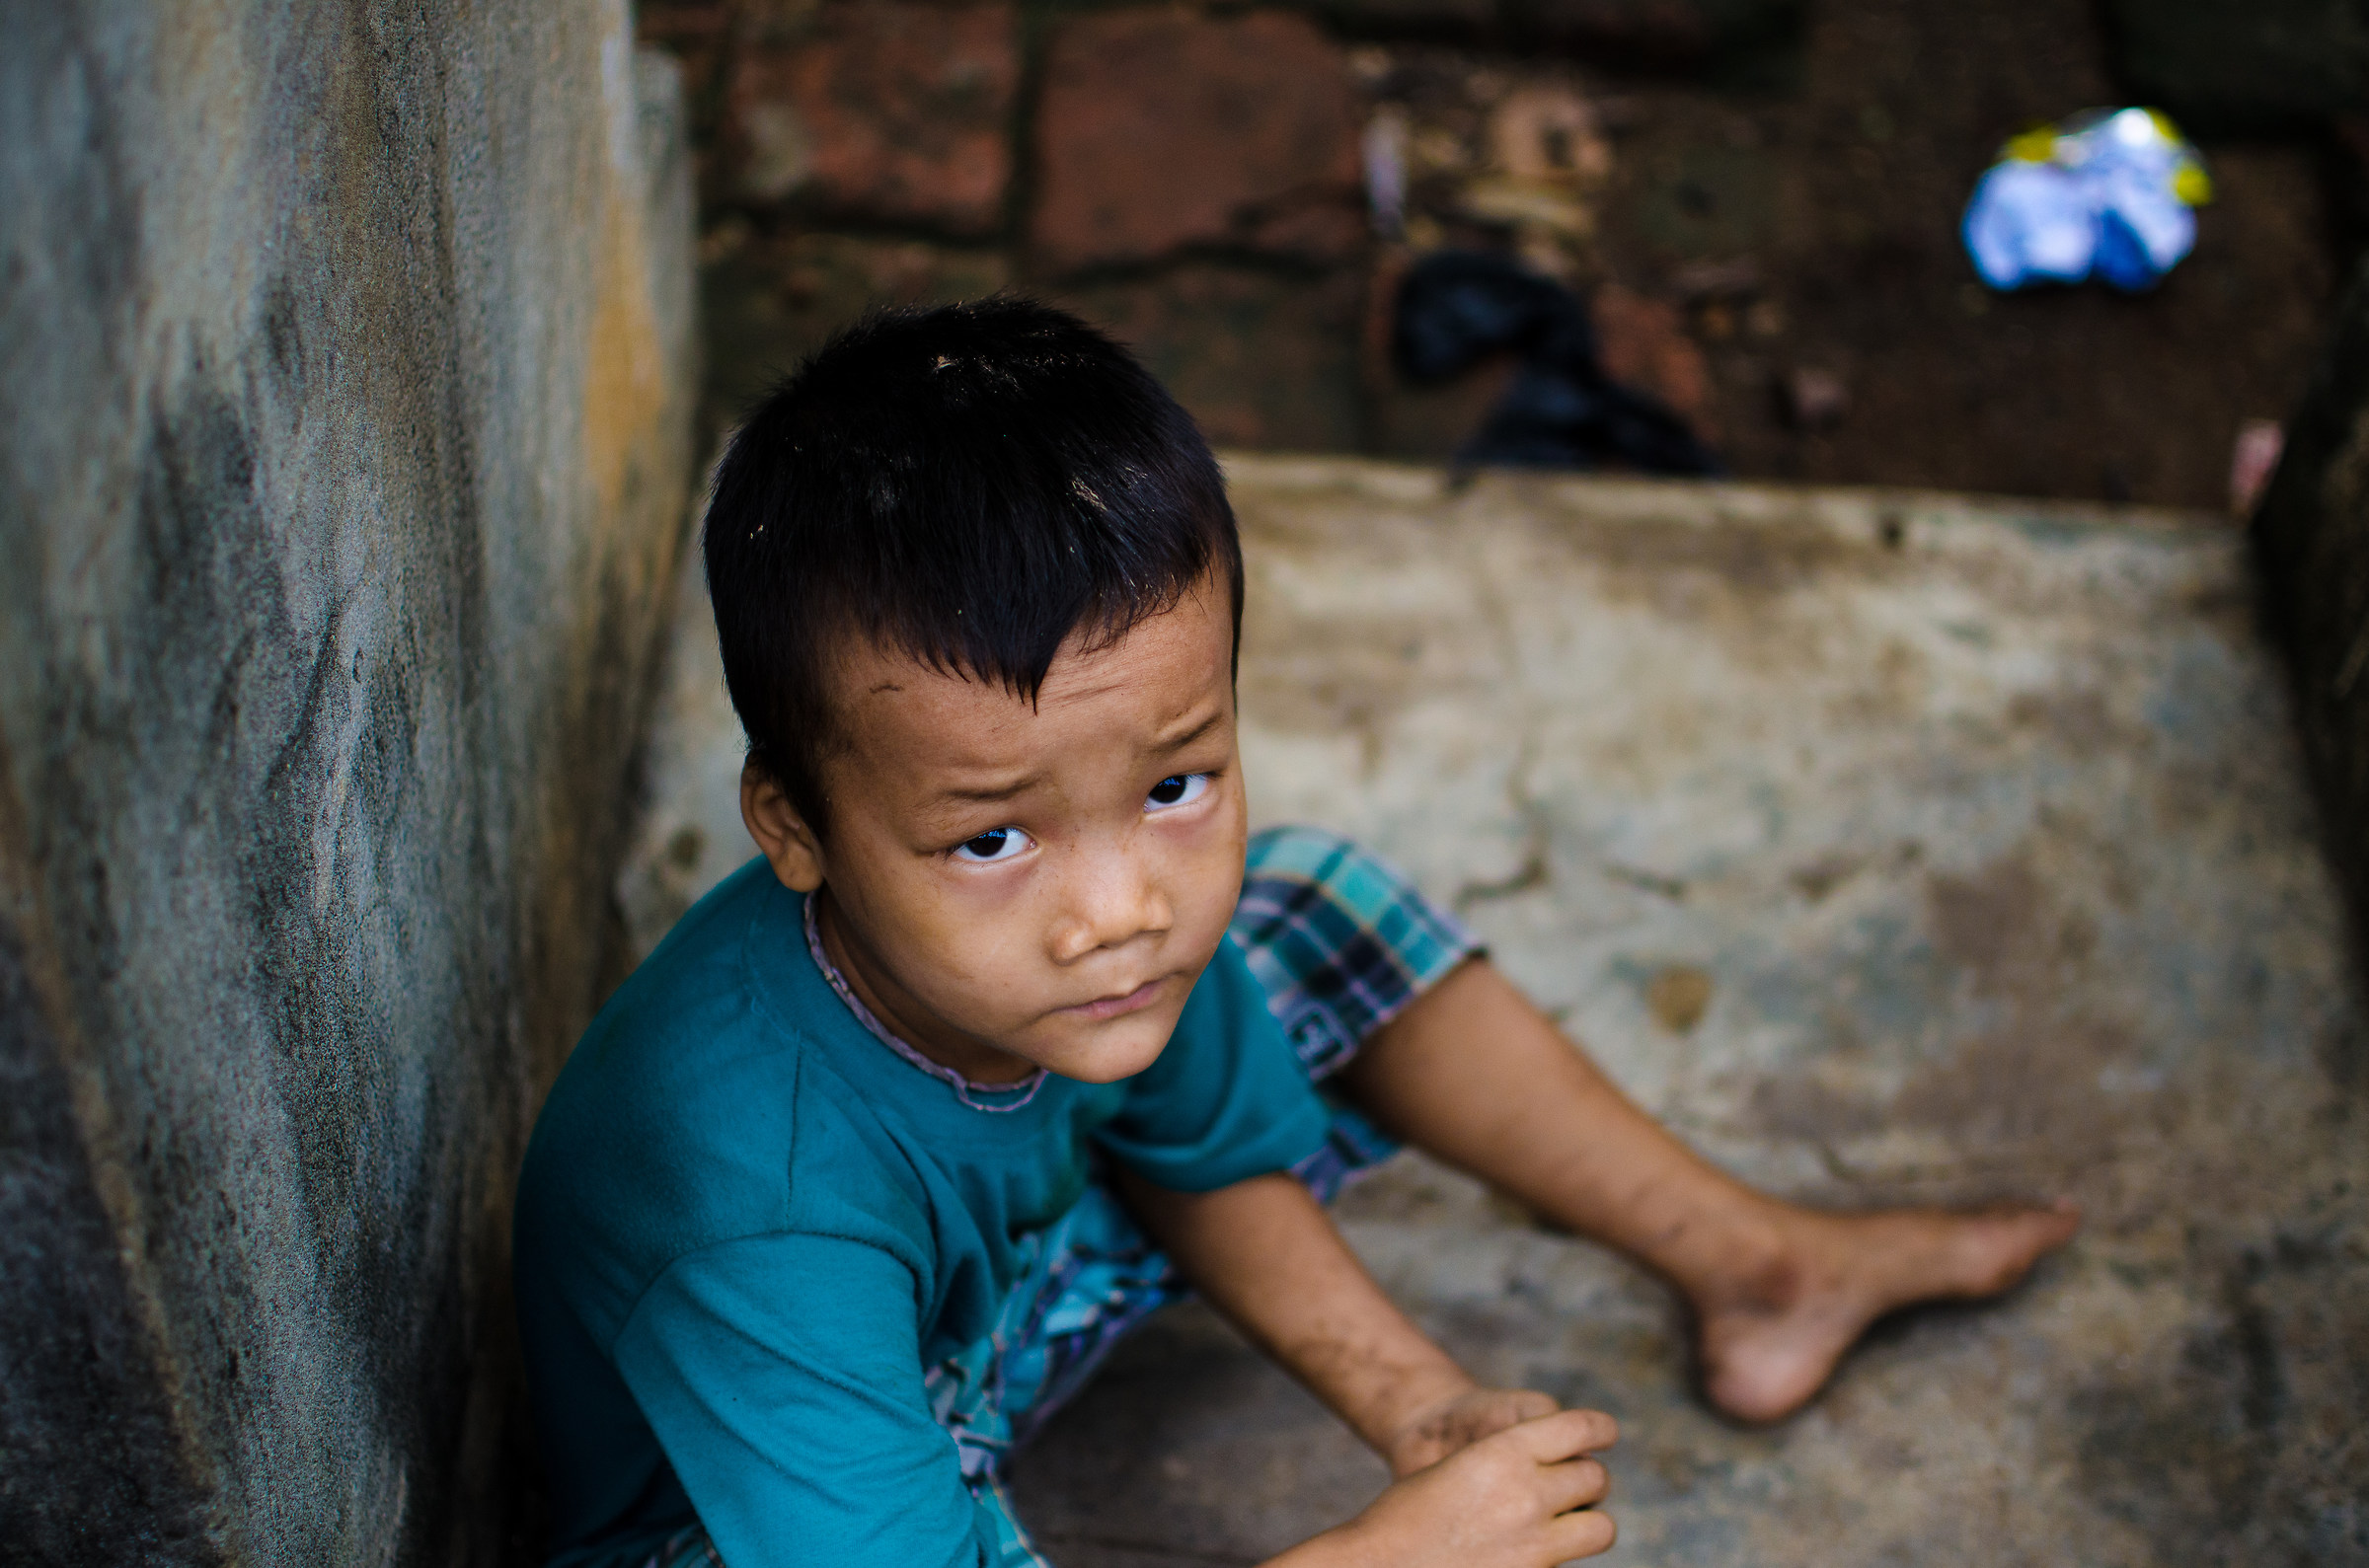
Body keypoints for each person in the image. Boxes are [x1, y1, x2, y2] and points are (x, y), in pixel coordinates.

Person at [512, 299, 2079, 1568]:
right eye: (991, 835)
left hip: (959, 1328)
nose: (1122, 904)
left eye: (1178, 780)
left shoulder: (1084, 954)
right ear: (793, 827)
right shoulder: (759, 1207)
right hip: (741, 1510)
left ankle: (1759, 1264)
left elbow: (1204, 1153)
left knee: (1310, 901)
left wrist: (1424, 1409)